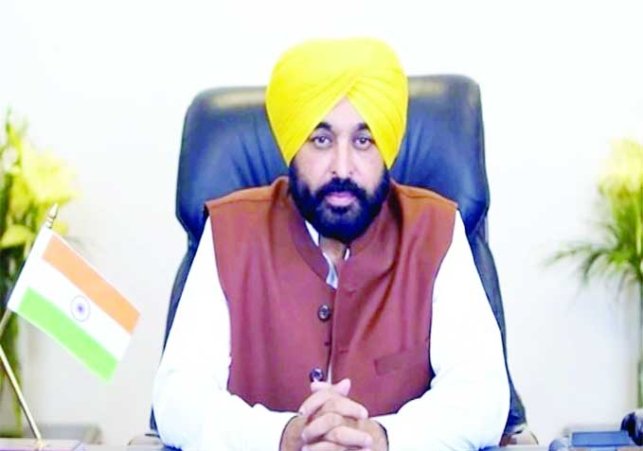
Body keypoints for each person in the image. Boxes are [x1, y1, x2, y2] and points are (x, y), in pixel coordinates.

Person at [153, 37, 510, 450]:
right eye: (321, 140)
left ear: (387, 147)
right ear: (292, 145)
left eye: (363, 141)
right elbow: (178, 399)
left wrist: (380, 437)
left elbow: (481, 396)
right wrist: (286, 437)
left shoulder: (436, 229)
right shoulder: (230, 231)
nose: (342, 168)